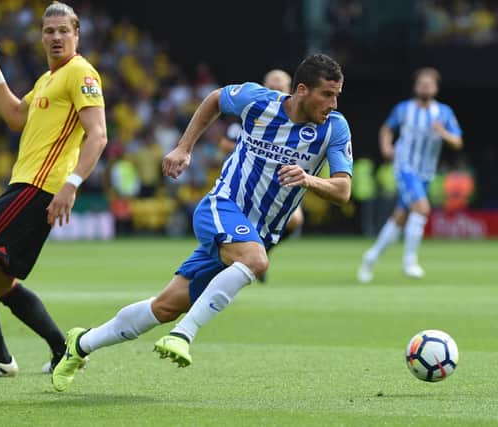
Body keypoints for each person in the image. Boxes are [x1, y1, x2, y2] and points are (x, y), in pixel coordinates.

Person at [52, 53, 353, 392]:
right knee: (255, 261)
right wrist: (184, 148)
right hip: (221, 206)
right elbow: (214, 100)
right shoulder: (258, 101)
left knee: (164, 306)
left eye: (337, 94)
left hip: (256, 234)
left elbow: (343, 190)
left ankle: (80, 344)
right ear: (301, 90)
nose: (334, 102)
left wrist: (309, 180)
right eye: (327, 94)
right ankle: (183, 335)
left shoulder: (334, 128)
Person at [0, 1, 107, 379]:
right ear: (41, 36)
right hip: (28, 184)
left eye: (62, 31)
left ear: (76, 35)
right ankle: (63, 348)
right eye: (48, 31)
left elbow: (98, 136)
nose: (55, 37)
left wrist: (71, 184)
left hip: (38, 186)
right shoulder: (47, 79)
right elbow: (18, 117)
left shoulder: (81, 73)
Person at [358, 67, 462, 283]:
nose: (425, 87)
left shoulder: (444, 112)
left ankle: (371, 256)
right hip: (405, 166)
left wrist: (443, 133)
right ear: (416, 87)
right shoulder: (404, 109)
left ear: (435, 88)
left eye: (429, 84)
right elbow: (386, 129)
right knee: (422, 208)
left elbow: (458, 142)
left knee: (401, 217)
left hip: (426, 172)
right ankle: (410, 260)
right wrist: (386, 146)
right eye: (421, 83)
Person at [219, 69, 305, 283]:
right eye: (272, 88)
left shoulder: (297, 121)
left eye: (281, 88)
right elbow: (225, 142)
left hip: (281, 182)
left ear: (291, 90)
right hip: (247, 179)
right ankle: (240, 257)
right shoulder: (252, 113)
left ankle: (262, 251)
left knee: (296, 220)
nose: (276, 92)